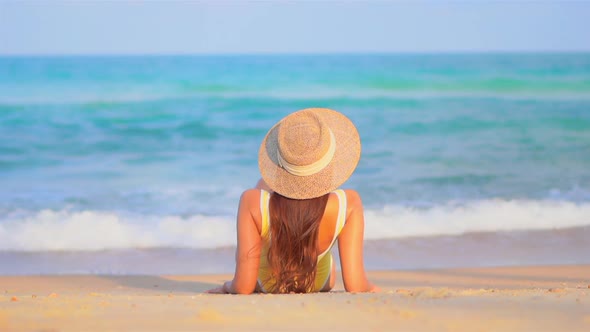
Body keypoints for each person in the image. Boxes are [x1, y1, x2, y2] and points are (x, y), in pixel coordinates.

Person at [207, 108, 379, 294]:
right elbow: (356, 286)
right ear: (328, 160)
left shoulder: (250, 200)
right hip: (318, 283)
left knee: (261, 189)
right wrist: (373, 288)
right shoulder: (349, 203)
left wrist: (226, 286)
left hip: (268, 285)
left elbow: (243, 287)